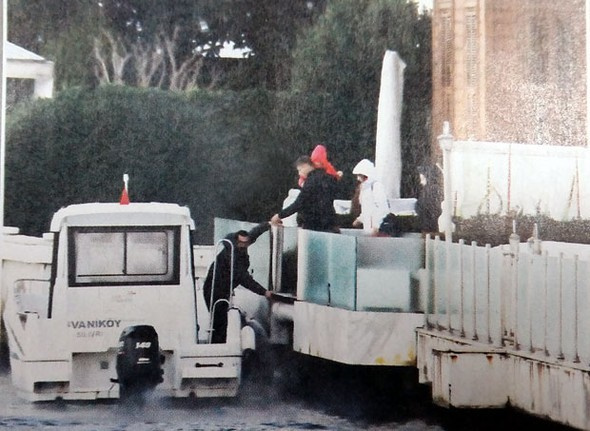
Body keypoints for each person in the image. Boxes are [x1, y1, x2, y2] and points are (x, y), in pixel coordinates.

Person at [203, 222, 273, 343]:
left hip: (224, 289)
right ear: (236, 241)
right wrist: (264, 292)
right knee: (219, 322)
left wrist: (269, 224)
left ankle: (220, 343)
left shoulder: (241, 244)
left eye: (247, 243)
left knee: (223, 321)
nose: (245, 246)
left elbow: (254, 233)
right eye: (242, 244)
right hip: (214, 290)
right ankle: (218, 346)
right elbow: (243, 278)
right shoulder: (231, 255)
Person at [271, 155, 338, 232]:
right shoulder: (329, 178)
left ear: (306, 165)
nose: (299, 173)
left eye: (300, 170)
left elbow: (299, 203)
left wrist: (279, 215)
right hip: (330, 223)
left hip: (314, 225)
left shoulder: (311, 181)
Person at [351, 159, 390, 236]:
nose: (358, 178)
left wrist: (377, 226)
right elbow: (366, 209)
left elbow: (383, 208)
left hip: (376, 229)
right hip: (368, 227)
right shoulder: (364, 188)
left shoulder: (376, 186)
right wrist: (359, 219)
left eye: (359, 175)